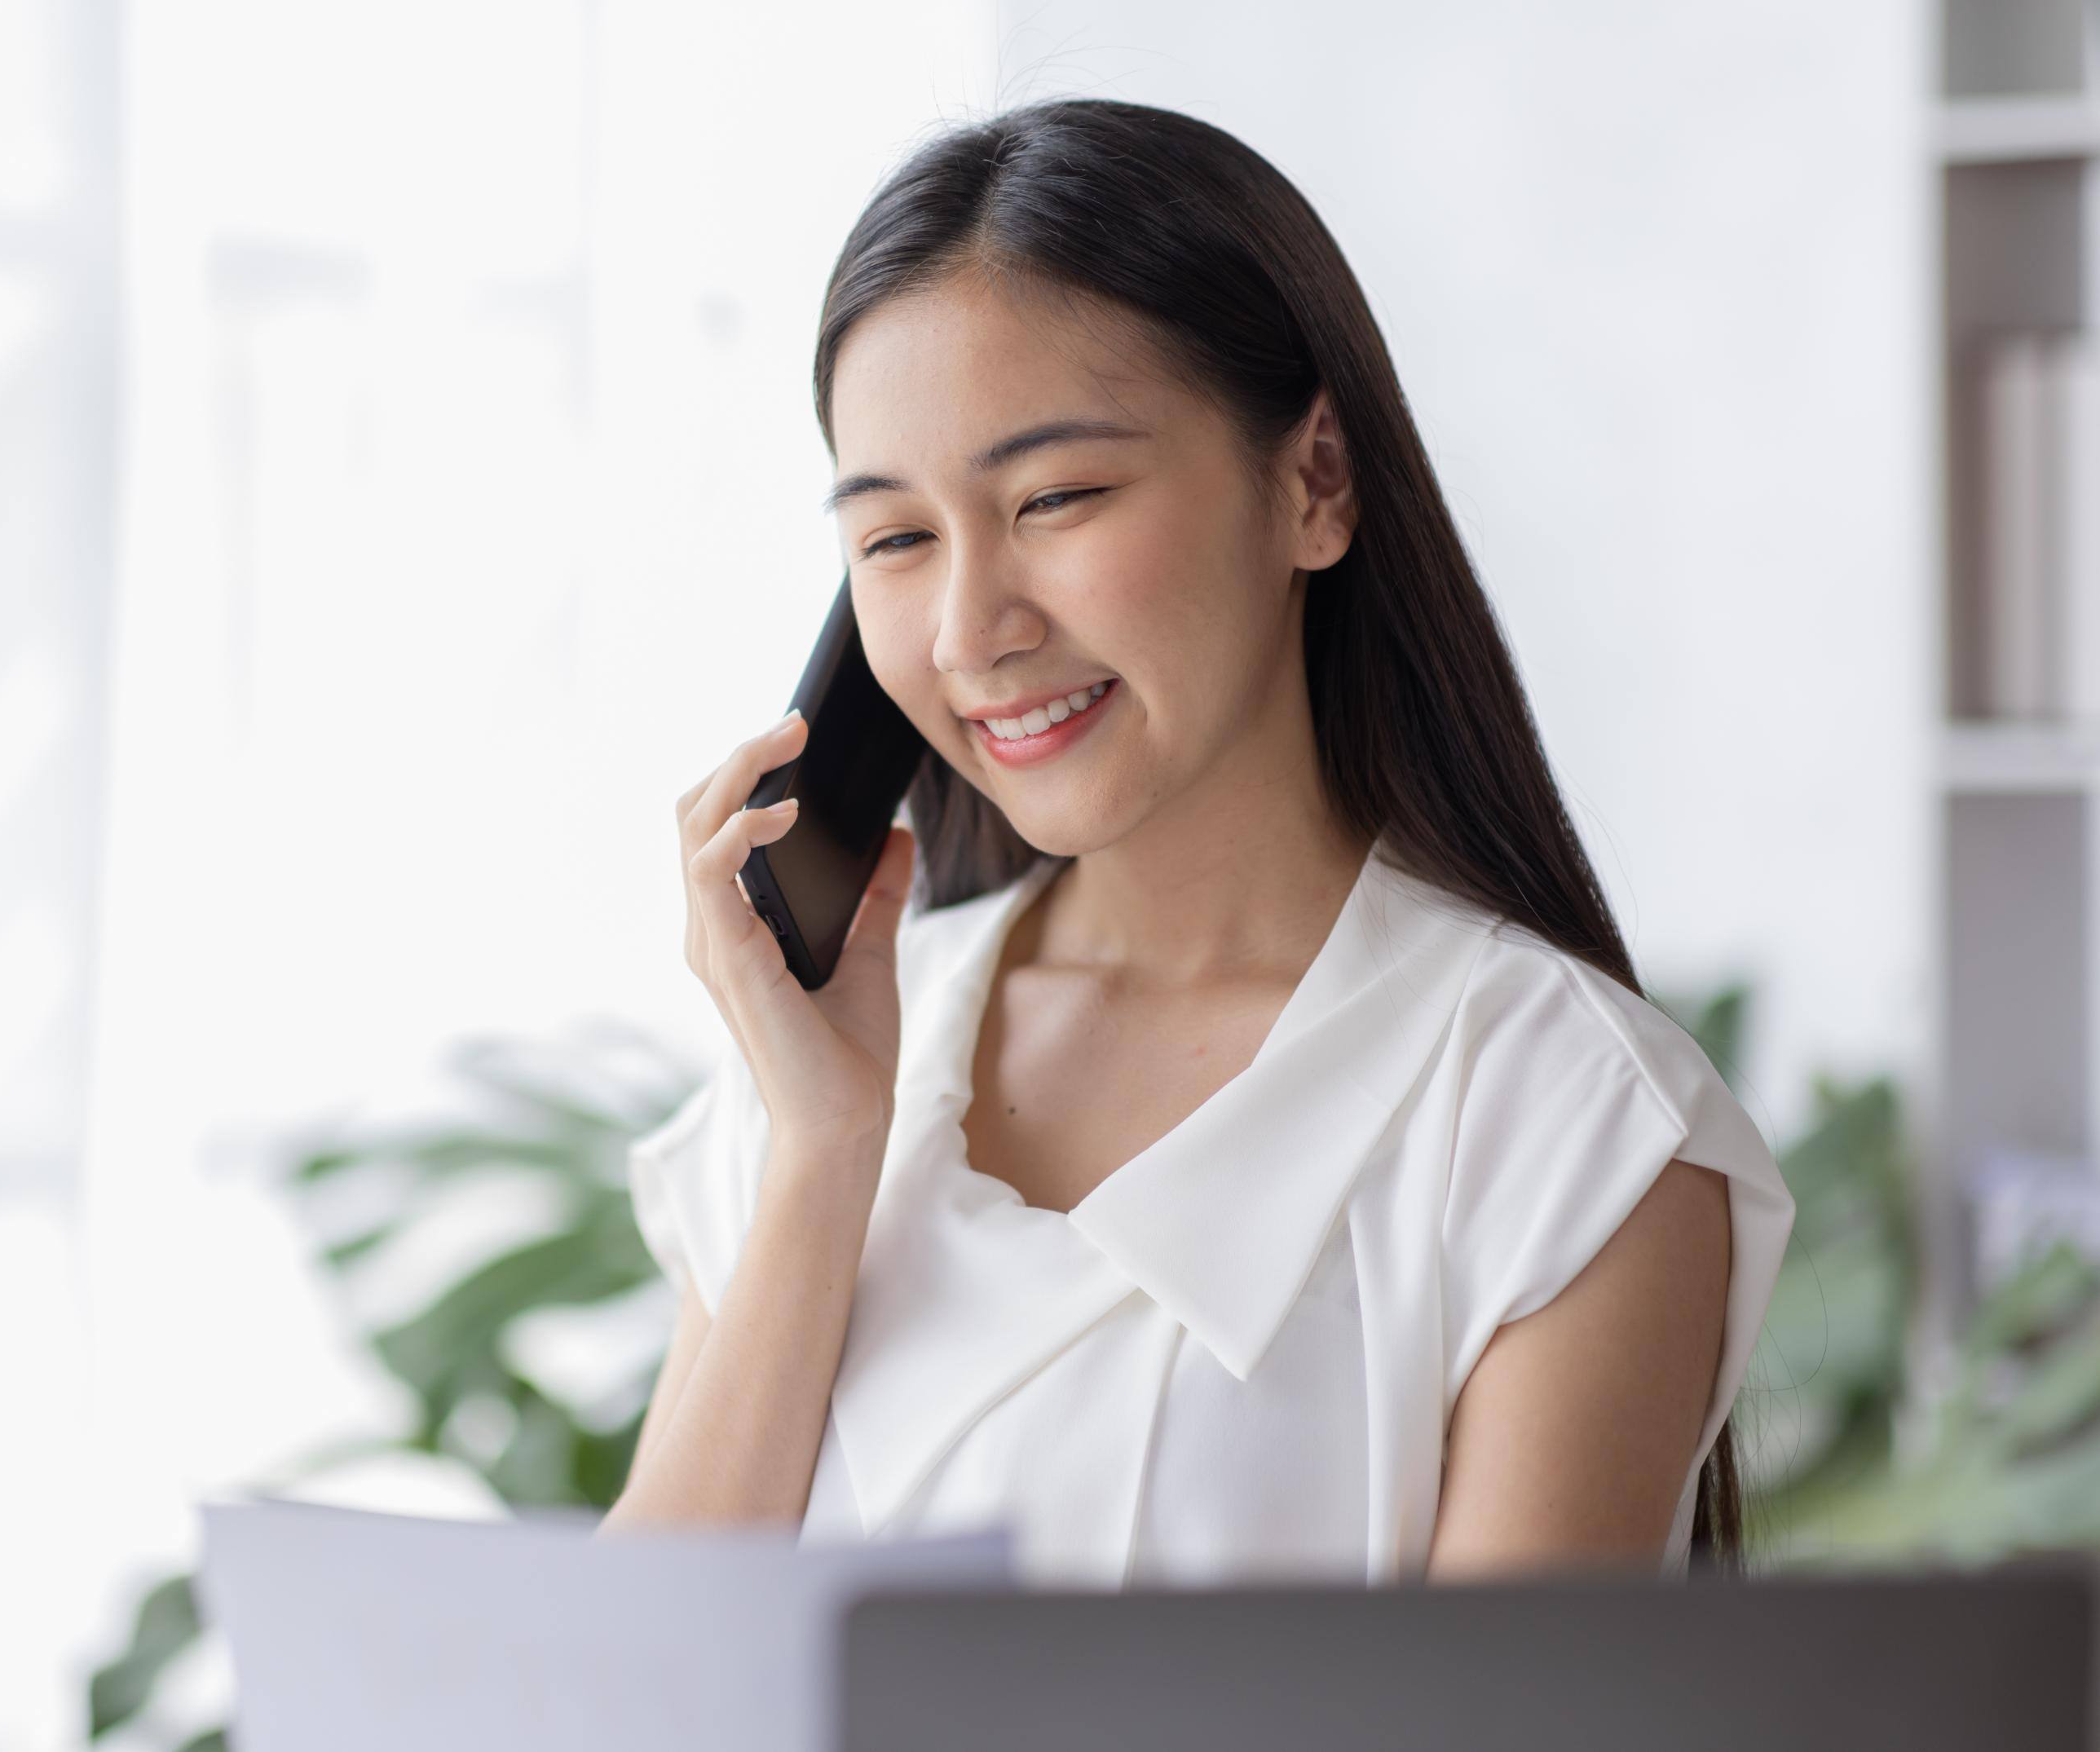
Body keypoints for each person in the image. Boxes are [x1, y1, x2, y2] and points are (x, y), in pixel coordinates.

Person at [598, 96, 1795, 1587]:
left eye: (1057, 499)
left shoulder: (1565, 1129)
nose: (973, 630)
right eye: (895, 539)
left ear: (1313, 482)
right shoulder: (814, 1080)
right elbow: (624, 1682)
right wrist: (827, 1148)